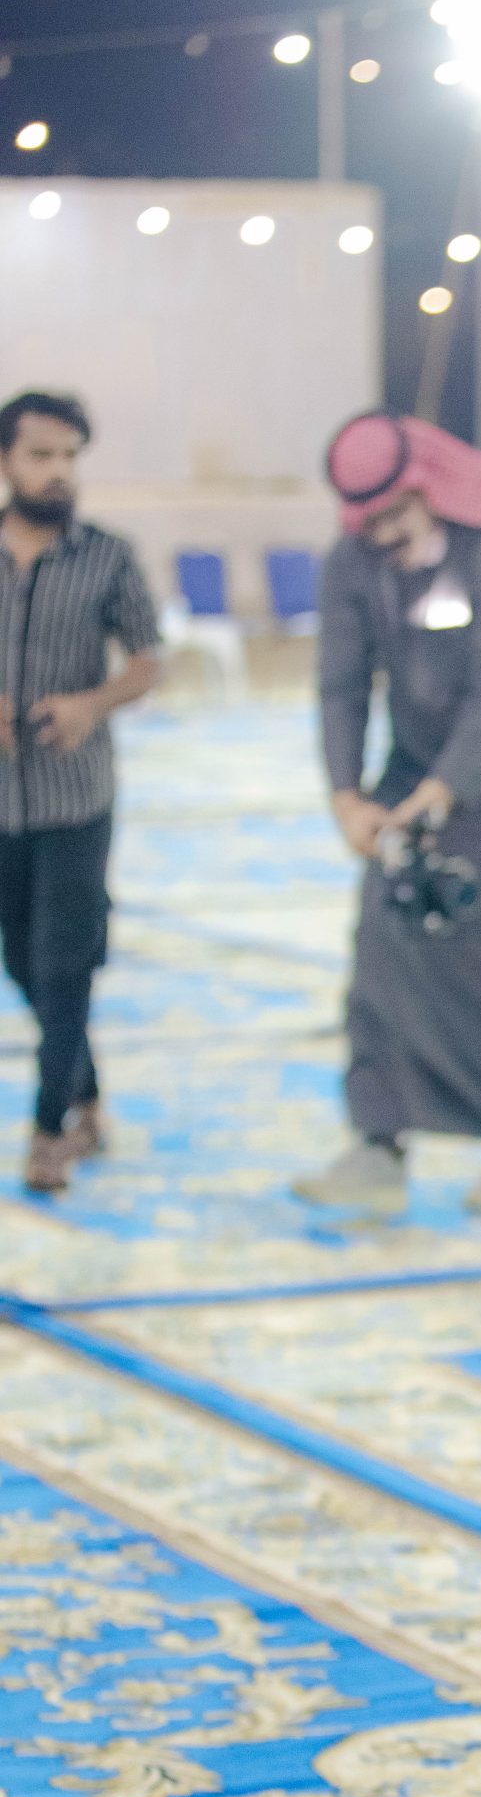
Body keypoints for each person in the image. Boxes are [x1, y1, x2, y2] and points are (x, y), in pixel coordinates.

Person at [296, 414, 481, 1221]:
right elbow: (340, 683)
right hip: (413, 775)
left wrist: (448, 788)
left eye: (397, 514)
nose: (385, 532)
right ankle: (377, 1143)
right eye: (370, 521)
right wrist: (346, 793)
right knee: (385, 956)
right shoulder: (356, 560)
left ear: (432, 488)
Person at [0, 390, 159, 1194]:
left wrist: (91, 704)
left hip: (77, 801)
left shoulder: (108, 556)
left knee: (65, 966)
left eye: (69, 457)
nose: (58, 471)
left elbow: (148, 659)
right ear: (7, 461)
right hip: (2, 806)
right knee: (23, 965)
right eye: (41, 456)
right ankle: (88, 1098)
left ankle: (49, 1130)